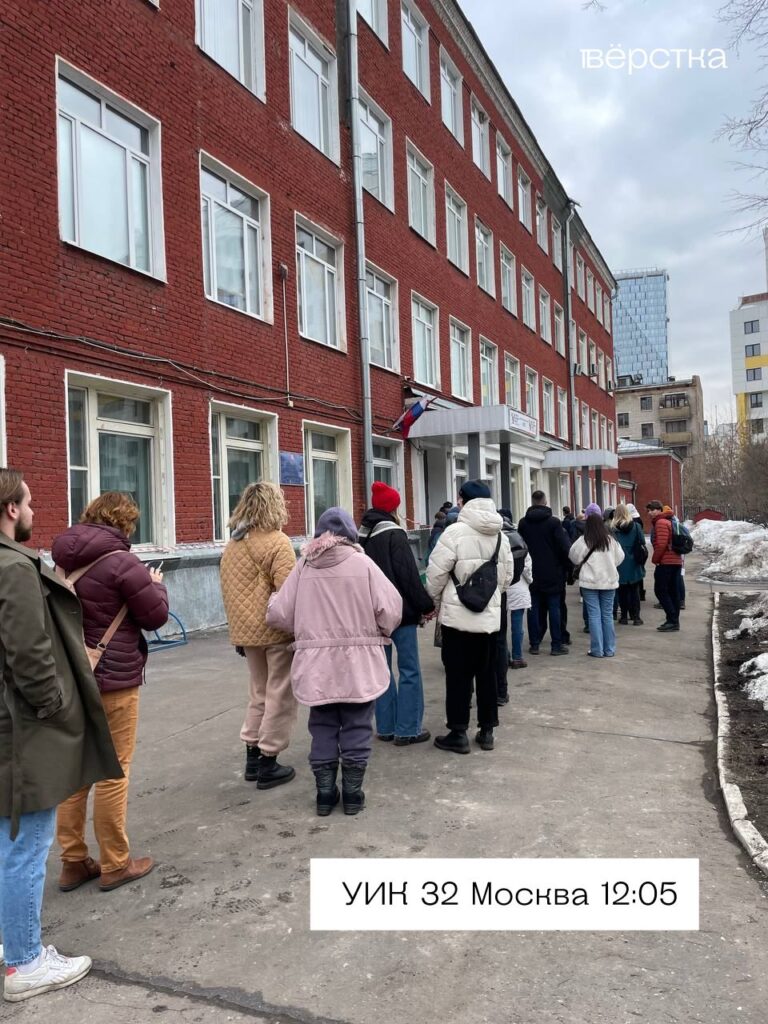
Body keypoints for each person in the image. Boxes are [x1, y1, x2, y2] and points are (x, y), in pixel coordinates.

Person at [0, 469, 121, 1002]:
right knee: (26, 845)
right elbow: (28, 652)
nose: (33, 511)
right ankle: (25, 961)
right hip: (22, 728)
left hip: (8, 722)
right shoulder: (12, 567)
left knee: (8, 839)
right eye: (28, 503)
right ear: (10, 509)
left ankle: (11, 943)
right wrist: (54, 705)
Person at [52, 492, 169, 892]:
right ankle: (115, 863)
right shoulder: (123, 563)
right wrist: (157, 586)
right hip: (115, 678)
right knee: (114, 770)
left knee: (74, 770)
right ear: (125, 521)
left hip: (73, 675)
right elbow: (155, 616)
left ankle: (72, 861)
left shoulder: (61, 559)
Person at [266, 508, 401, 815]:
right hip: (359, 664)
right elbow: (391, 609)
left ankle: (325, 795)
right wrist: (379, 631)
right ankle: (352, 794)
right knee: (358, 724)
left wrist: (280, 604)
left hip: (316, 666)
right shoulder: (364, 564)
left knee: (322, 725)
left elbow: (279, 614)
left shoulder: (304, 567)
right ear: (351, 534)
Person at [220, 483, 298, 790]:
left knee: (258, 692)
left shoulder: (233, 545)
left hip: (246, 634)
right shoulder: (278, 542)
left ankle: (252, 756)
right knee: (279, 693)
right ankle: (269, 760)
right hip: (276, 632)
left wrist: (240, 633)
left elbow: (229, 592)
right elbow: (289, 592)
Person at [426, 481, 513, 753]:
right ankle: (487, 731)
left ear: (464, 501)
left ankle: (458, 732)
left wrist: (436, 602)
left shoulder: (453, 533)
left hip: (457, 619)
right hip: (489, 620)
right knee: (487, 675)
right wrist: (488, 598)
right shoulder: (501, 536)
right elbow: (506, 578)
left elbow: (435, 574)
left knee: (458, 676)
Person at [359, 482, 434, 745]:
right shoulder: (395, 534)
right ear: (393, 508)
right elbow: (408, 577)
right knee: (409, 669)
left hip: (373, 614)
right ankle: (408, 729)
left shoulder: (362, 536)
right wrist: (426, 605)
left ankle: (386, 726)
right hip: (401, 614)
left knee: (382, 671)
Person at [517, 491, 571, 656]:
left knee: (533, 608)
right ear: (545, 502)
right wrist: (566, 567)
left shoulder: (523, 523)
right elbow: (564, 547)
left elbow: (520, 547)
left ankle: (534, 644)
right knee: (554, 608)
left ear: (532, 502)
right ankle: (556, 645)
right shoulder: (554, 523)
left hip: (531, 572)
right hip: (553, 572)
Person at [569, 511, 624, 658]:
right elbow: (620, 557)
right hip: (609, 581)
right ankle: (609, 649)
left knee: (594, 615)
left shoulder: (583, 540)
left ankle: (597, 649)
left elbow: (573, 556)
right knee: (607, 615)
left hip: (589, 582)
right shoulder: (610, 540)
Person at [647, 500, 683, 632]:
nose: (650, 513)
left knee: (660, 590)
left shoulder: (661, 522)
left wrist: (655, 559)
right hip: (675, 560)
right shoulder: (669, 520)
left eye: (652, 510)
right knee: (673, 591)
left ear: (659, 510)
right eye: (649, 511)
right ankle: (674, 621)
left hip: (666, 562)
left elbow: (661, 544)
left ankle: (672, 619)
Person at [612, 503, 645, 625]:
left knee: (622, 591)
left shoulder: (613, 529)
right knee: (634, 591)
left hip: (619, 563)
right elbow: (642, 541)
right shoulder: (636, 526)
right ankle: (636, 617)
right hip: (634, 561)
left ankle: (624, 617)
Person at [507, 538, 533, 671]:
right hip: (519, 588)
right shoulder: (522, 547)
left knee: (500, 626)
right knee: (517, 626)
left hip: (502, 590)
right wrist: (530, 580)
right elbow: (527, 569)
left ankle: (503, 656)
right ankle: (517, 657)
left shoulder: (497, 543)